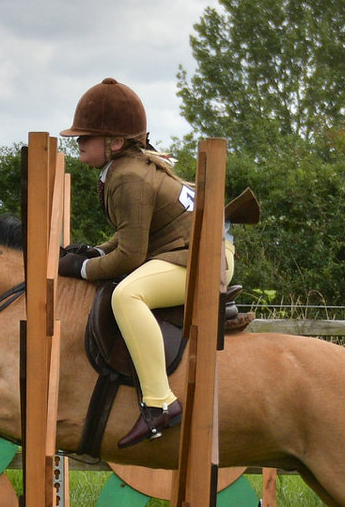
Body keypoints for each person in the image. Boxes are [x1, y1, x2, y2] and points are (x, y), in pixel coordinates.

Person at [58, 77, 233, 448]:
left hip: (200, 260)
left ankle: (159, 404)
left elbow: (131, 257)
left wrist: (83, 269)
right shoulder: (125, 168)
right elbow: (128, 236)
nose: (78, 142)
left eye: (86, 137)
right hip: (191, 251)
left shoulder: (129, 177)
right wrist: (94, 252)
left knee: (127, 296)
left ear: (116, 143)